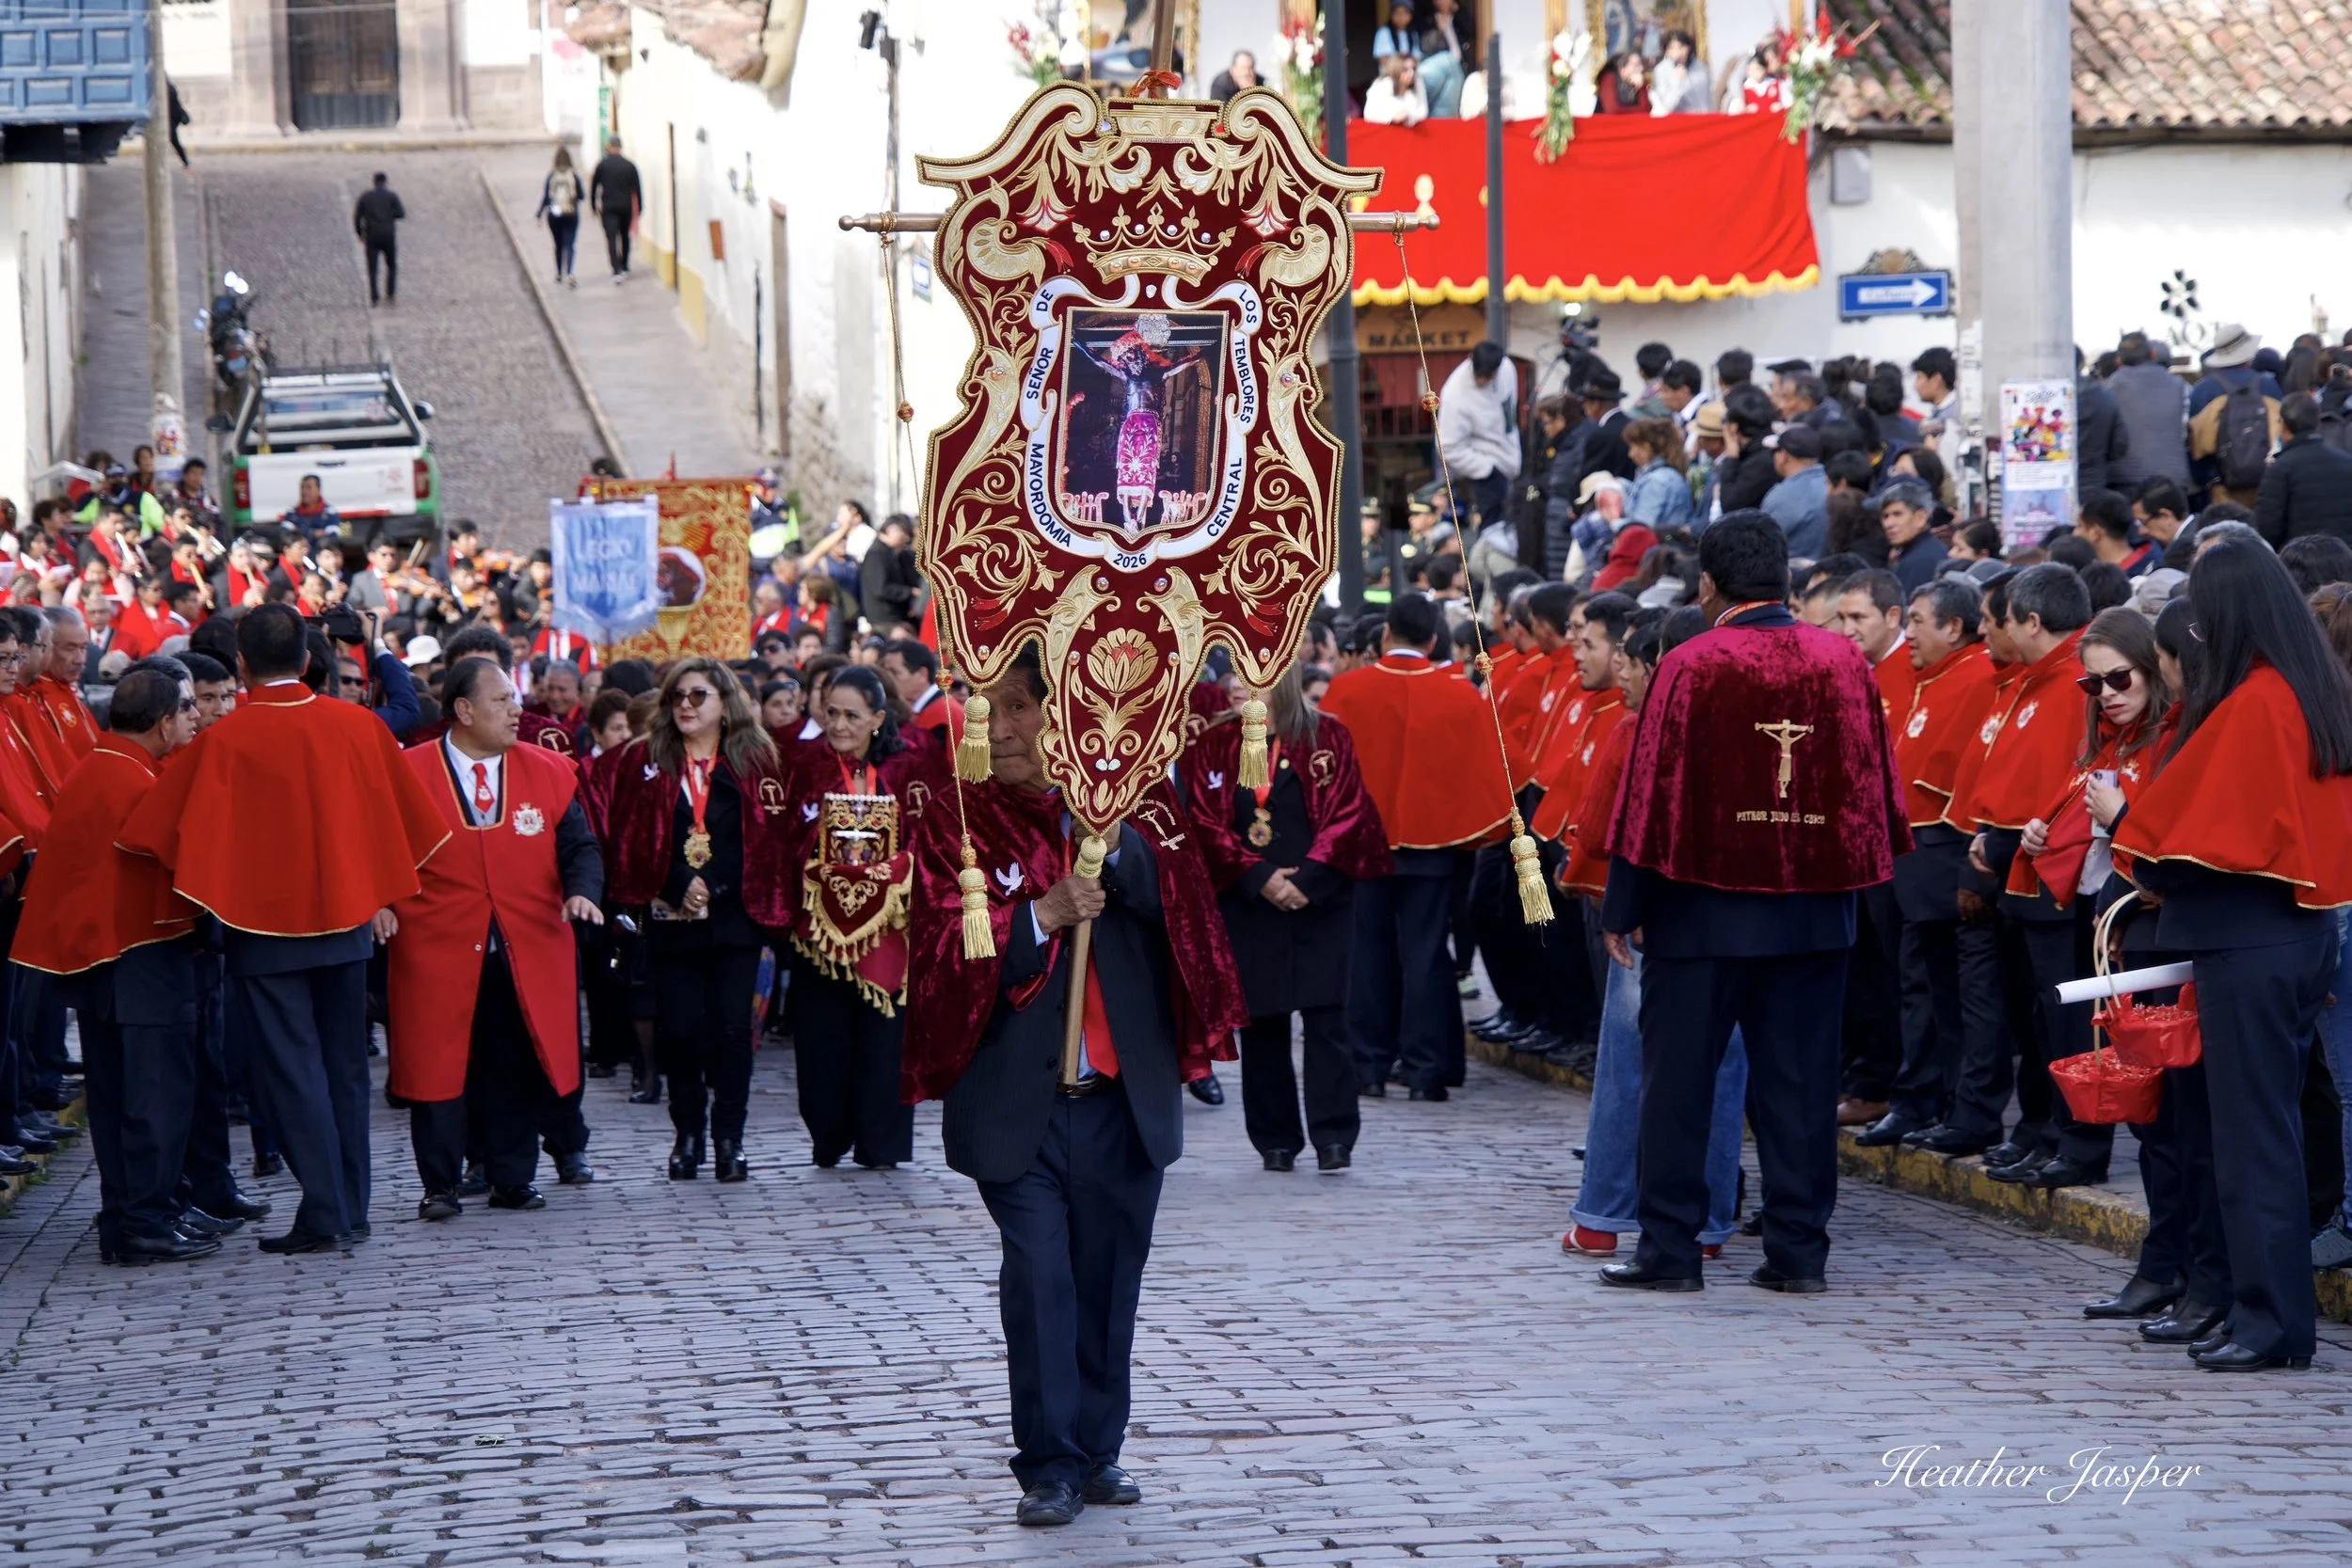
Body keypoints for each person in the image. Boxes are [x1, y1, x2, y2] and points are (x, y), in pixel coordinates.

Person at [902, 645, 1245, 1528]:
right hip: (1017, 1101)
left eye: (1020, 708)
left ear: (1074, 717)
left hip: (1121, 1100)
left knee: (1108, 1278)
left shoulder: (1140, 807)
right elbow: (938, 958)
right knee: (1041, 1278)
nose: (1001, 728)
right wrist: (1039, 918)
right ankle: (1047, 1461)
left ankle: (1100, 1450)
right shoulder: (956, 815)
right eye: (991, 710)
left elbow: (1193, 918)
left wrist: (1114, 846)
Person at [1596, 513, 1908, 1293]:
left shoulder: (1693, 663)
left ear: (1708, 585)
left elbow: (1650, 790)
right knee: (1799, 1090)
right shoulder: (1843, 661)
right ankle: (1799, 1254)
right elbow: (1873, 783)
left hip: (1701, 914)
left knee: (1679, 1086)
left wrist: (1621, 901)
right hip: (1812, 913)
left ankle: (1670, 1251)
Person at [119, 604, 448, 1252]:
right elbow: (415, 823)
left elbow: (154, 832)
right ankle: (351, 1205)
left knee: (291, 1073)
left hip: (261, 927)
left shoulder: (224, 738)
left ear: (241, 666)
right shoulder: (358, 726)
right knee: (345, 1069)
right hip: (348, 918)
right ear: (307, 659)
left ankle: (325, 1209)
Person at [2113, 540, 2352, 1370]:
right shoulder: (2311, 688)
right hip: (2293, 936)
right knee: (2267, 1135)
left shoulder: (2258, 701)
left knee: (2253, 1143)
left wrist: (2127, 830)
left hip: (2249, 942)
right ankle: (2264, 1311)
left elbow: (2182, 834)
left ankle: (2270, 1322)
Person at [12, 664, 226, 1260]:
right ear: (161, 723)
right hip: (144, 960)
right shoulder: (134, 780)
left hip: (107, 962)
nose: (192, 717)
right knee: (155, 1099)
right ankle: (146, 1220)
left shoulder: (105, 767)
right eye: (185, 708)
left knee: (118, 1100)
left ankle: (135, 1216)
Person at [390, 657, 603, 1220]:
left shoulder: (549, 770)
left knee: (513, 1062)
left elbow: (579, 846)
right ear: (463, 710)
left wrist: (583, 891)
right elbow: (377, 849)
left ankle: (513, 1177)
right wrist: (379, 904)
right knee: (438, 1064)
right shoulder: (407, 771)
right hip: (436, 942)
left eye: (515, 699)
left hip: (525, 942)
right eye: (503, 701)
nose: (518, 711)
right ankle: (439, 1184)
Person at [1319, 593, 1530, 1099]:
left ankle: (1368, 1067)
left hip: (1364, 845)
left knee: (1367, 952)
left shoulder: (1346, 690)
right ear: (1434, 640)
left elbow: (1320, 771)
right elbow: (1505, 770)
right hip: (1434, 847)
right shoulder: (1459, 694)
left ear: (1386, 634)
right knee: (1428, 952)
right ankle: (1426, 1070)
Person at [1184, 664, 1387, 1172]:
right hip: (1251, 904)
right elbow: (1205, 823)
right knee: (1264, 1024)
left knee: (1327, 1021)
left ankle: (1334, 1136)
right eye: (1231, 671)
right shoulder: (1214, 743)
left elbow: (1349, 813)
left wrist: (1309, 879)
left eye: (1248, 673)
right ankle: (1275, 1139)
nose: (1233, 684)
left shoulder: (1326, 735)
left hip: (1321, 901)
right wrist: (1261, 878)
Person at [598, 659, 793, 1181]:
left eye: (698, 695)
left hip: (734, 917)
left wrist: (718, 882)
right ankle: (688, 1135)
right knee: (680, 1031)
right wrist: (676, 881)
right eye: (677, 696)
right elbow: (628, 838)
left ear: (725, 704)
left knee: (732, 1032)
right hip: (671, 914)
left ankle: (730, 1139)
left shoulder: (756, 760)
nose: (685, 705)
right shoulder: (644, 760)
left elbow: (770, 842)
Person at [1954, 565, 2108, 1188]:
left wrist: (2008, 834)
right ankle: (2042, 1128)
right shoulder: (2030, 681)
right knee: (2039, 1018)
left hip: (2058, 875)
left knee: (2067, 1019)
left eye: (2005, 618)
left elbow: (2067, 783)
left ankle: (2074, 1138)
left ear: (2033, 621)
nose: (1998, 631)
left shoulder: (2071, 684)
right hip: (2022, 870)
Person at [780, 664, 932, 1170]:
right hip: (819, 930)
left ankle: (881, 1144)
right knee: (822, 1040)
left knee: (884, 1042)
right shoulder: (803, 765)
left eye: (851, 715)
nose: (839, 725)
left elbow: (935, 837)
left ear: (878, 718)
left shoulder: (913, 766)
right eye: (831, 714)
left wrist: (901, 870)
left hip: (889, 930)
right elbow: (778, 840)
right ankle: (828, 1136)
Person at [1435, 342, 1520, 531]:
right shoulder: (1454, 393)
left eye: (1488, 376)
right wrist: (1486, 469)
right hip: (1484, 471)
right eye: (1479, 375)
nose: (1482, 381)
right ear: (1470, 360)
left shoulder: (1507, 369)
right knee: (1493, 532)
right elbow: (1446, 446)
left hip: (1511, 459)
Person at [2253, 391, 2352, 546]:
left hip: (2300, 560)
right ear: (2317, 424)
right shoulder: (2347, 461)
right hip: (2345, 558)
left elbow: (2267, 527)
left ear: (2283, 425)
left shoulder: (2279, 469)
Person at [1760, 424, 1829, 557]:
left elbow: (1763, 545)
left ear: (1784, 456)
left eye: (1775, 451)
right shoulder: (1832, 485)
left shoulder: (1781, 496)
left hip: (1793, 573)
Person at [591, 136, 643, 282]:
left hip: (609, 207)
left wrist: (593, 205)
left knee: (611, 238)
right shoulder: (630, 166)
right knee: (625, 235)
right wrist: (640, 208)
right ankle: (625, 265)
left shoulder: (602, 165)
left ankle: (616, 270)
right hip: (625, 206)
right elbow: (637, 189)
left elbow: (594, 186)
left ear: (610, 147)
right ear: (620, 147)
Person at [536, 148, 585, 289]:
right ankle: (570, 272)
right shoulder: (574, 176)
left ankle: (558, 274)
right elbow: (581, 196)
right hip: (571, 213)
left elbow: (546, 197)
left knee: (558, 245)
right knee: (569, 244)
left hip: (554, 215)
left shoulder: (552, 176)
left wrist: (538, 214)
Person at [354, 171, 405, 307]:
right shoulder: (391, 196)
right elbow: (401, 213)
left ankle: (374, 297)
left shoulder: (366, 197)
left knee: (372, 268)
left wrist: (360, 234)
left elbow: (357, 217)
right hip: (388, 234)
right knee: (391, 265)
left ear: (374, 182)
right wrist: (389, 216)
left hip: (371, 235)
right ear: (385, 182)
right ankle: (391, 294)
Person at [1364, 53, 1429, 125]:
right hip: (1387, 134)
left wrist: (1410, 116)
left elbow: (1423, 111)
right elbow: (1369, 114)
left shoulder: (1418, 82)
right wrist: (1392, 117)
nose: (1411, 73)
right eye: (1405, 70)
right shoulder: (1383, 84)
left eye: (1413, 68)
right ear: (1396, 70)